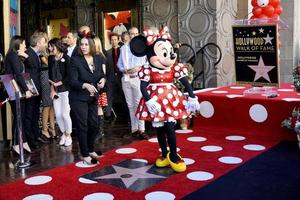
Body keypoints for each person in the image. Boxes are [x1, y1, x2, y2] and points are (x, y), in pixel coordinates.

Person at [130, 26, 200, 172]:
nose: (170, 56)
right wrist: (148, 100)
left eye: (170, 52)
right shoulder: (147, 70)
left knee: (170, 128)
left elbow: (185, 82)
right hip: (155, 102)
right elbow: (143, 87)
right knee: (160, 130)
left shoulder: (174, 68)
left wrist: (192, 97)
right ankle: (164, 153)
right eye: (164, 53)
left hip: (170, 101)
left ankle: (174, 155)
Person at [69, 32, 106, 164]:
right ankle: (84, 153)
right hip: (78, 98)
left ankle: (90, 149)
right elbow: (72, 81)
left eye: (86, 44)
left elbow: (102, 74)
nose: (83, 47)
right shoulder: (75, 60)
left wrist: (103, 80)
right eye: (81, 44)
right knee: (82, 125)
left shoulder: (97, 59)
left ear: (91, 45)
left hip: (92, 97)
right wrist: (84, 85)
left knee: (94, 124)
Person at [117, 27, 148, 139]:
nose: (133, 36)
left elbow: (145, 64)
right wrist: (125, 70)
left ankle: (142, 129)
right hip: (126, 78)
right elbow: (119, 64)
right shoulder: (124, 48)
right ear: (128, 35)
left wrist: (138, 68)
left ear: (138, 34)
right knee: (130, 105)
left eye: (136, 33)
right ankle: (134, 129)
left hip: (137, 78)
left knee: (139, 104)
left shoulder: (141, 48)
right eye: (131, 34)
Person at [4, 35, 33, 154]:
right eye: (24, 43)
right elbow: (18, 74)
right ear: (18, 44)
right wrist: (26, 89)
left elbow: (31, 67)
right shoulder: (12, 56)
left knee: (21, 116)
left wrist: (26, 56)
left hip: (18, 90)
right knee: (18, 116)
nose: (25, 45)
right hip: (14, 90)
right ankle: (17, 143)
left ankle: (23, 141)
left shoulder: (16, 56)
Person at [23, 31, 49, 148]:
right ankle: (30, 140)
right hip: (31, 90)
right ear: (38, 43)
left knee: (35, 114)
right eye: (45, 42)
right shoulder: (27, 53)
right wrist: (30, 89)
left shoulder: (37, 54)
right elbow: (24, 74)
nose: (46, 44)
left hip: (37, 89)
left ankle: (36, 135)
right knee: (29, 115)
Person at [48, 38, 72, 146]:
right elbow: (50, 75)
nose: (49, 48)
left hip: (65, 90)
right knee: (57, 115)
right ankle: (63, 133)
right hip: (55, 91)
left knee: (65, 114)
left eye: (51, 46)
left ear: (57, 46)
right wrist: (52, 88)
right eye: (49, 46)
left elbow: (70, 76)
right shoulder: (50, 59)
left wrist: (60, 83)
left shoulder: (67, 58)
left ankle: (68, 134)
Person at [40, 50, 56, 139]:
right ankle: (44, 129)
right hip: (45, 78)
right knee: (47, 104)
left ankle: (52, 127)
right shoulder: (41, 54)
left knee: (52, 104)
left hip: (52, 78)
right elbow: (48, 63)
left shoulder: (51, 54)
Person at [93, 36, 107, 138]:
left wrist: (102, 80)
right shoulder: (89, 56)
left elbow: (104, 73)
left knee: (98, 107)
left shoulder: (101, 57)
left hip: (98, 84)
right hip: (90, 84)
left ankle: (100, 131)